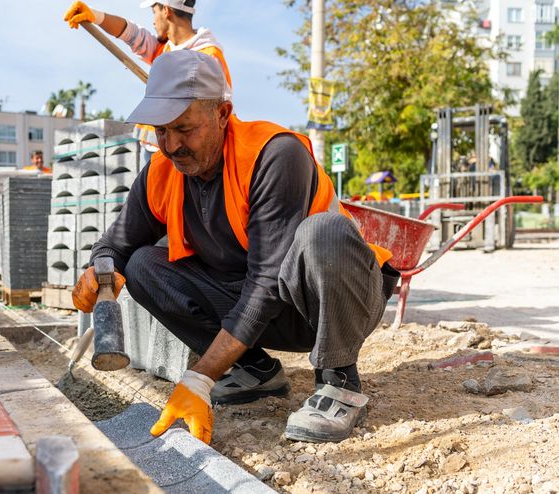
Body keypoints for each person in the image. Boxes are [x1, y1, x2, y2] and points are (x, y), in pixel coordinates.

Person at [72, 51, 399, 445]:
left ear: (223, 114)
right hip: (260, 306)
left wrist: (199, 378)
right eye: (161, 130)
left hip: (330, 302)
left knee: (322, 232)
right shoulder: (162, 171)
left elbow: (265, 282)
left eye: (184, 129)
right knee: (142, 264)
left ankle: (339, 382)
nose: (172, 145)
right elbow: (116, 243)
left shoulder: (274, 155)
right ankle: (254, 371)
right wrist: (100, 270)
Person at [64, 0, 232, 163]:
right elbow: (132, 33)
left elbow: (219, 110)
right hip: (154, 150)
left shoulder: (208, 56)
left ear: (166, 10)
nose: (153, 20)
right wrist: (95, 16)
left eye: (154, 11)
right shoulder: (164, 49)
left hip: (184, 153)